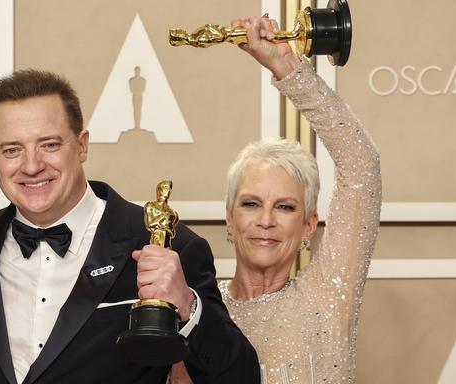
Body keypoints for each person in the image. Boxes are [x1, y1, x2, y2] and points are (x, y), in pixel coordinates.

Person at [0, 69, 259, 383]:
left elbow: (240, 377)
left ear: (82, 146)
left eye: (49, 145)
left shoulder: (164, 245)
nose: (32, 165)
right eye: (12, 150)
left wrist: (188, 307)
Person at [171, 15, 382, 384]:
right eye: (251, 204)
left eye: (284, 206)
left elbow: (362, 166)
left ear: (308, 225)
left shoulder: (328, 294)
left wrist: (286, 66)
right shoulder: (196, 312)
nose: (265, 219)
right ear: (229, 218)